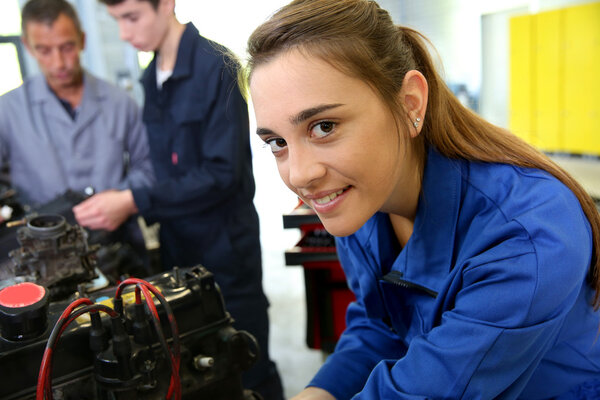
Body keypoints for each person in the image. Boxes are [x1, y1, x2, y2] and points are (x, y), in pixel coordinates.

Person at [243, 0, 600, 399]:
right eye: (277, 142)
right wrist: (321, 391)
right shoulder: (362, 201)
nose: (299, 174)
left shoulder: (528, 235)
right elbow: (382, 325)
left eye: (324, 127)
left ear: (410, 103)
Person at [74, 1, 284, 398]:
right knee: (201, 371)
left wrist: (134, 200)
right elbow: (161, 166)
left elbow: (221, 175)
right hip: (178, 252)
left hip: (226, 251)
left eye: (131, 17)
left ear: (166, 4)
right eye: (117, 20)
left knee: (247, 363)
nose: (124, 32)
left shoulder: (215, 66)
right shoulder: (151, 76)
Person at [0, 0, 154, 211]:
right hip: (40, 237)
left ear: (82, 40)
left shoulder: (120, 103)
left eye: (67, 47)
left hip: (117, 234)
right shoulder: (8, 110)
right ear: (27, 47)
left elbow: (149, 167)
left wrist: (121, 200)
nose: (59, 63)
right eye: (44, 51)